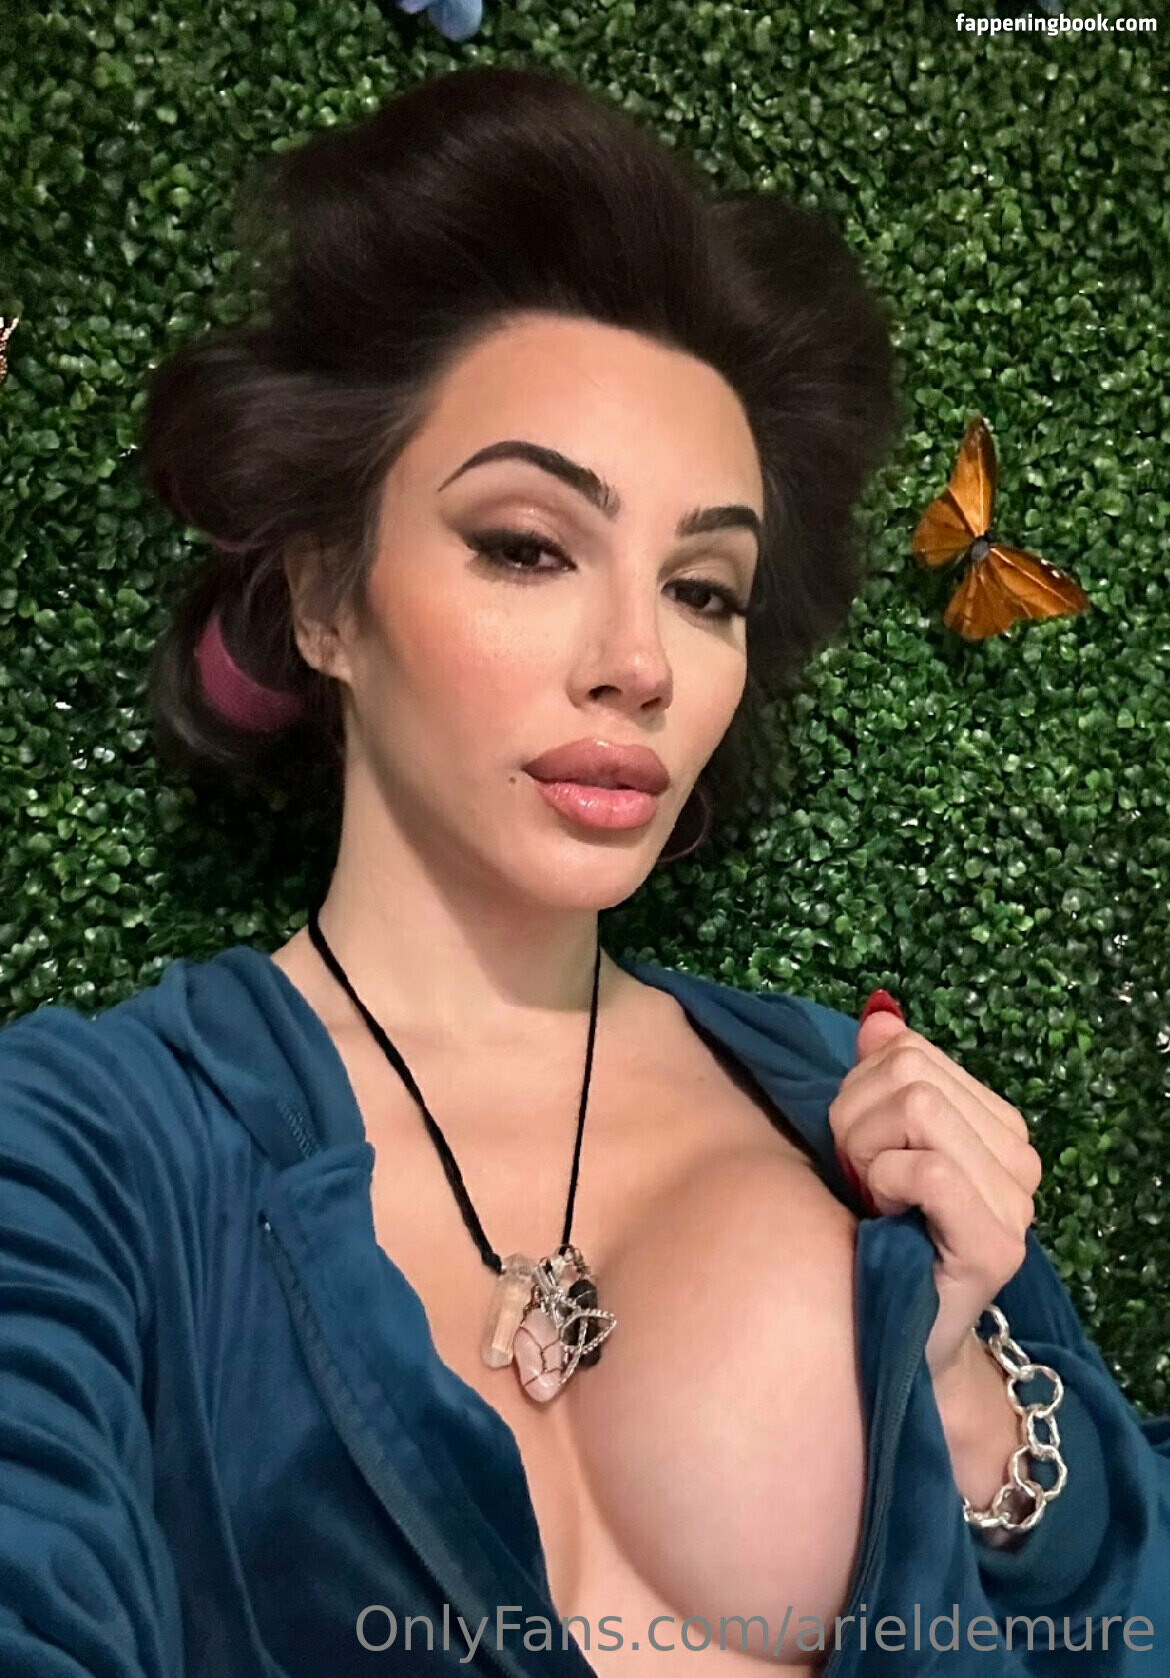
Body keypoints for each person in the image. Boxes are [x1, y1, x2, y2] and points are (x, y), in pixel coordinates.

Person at [1, 62, 1167, 1678]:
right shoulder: (85, 1145)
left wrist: (972, 1391)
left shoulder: (854, 1104)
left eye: (704, 589)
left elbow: (1123, 1621)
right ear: (325, 598)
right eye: (527, 546)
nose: (641, 662)